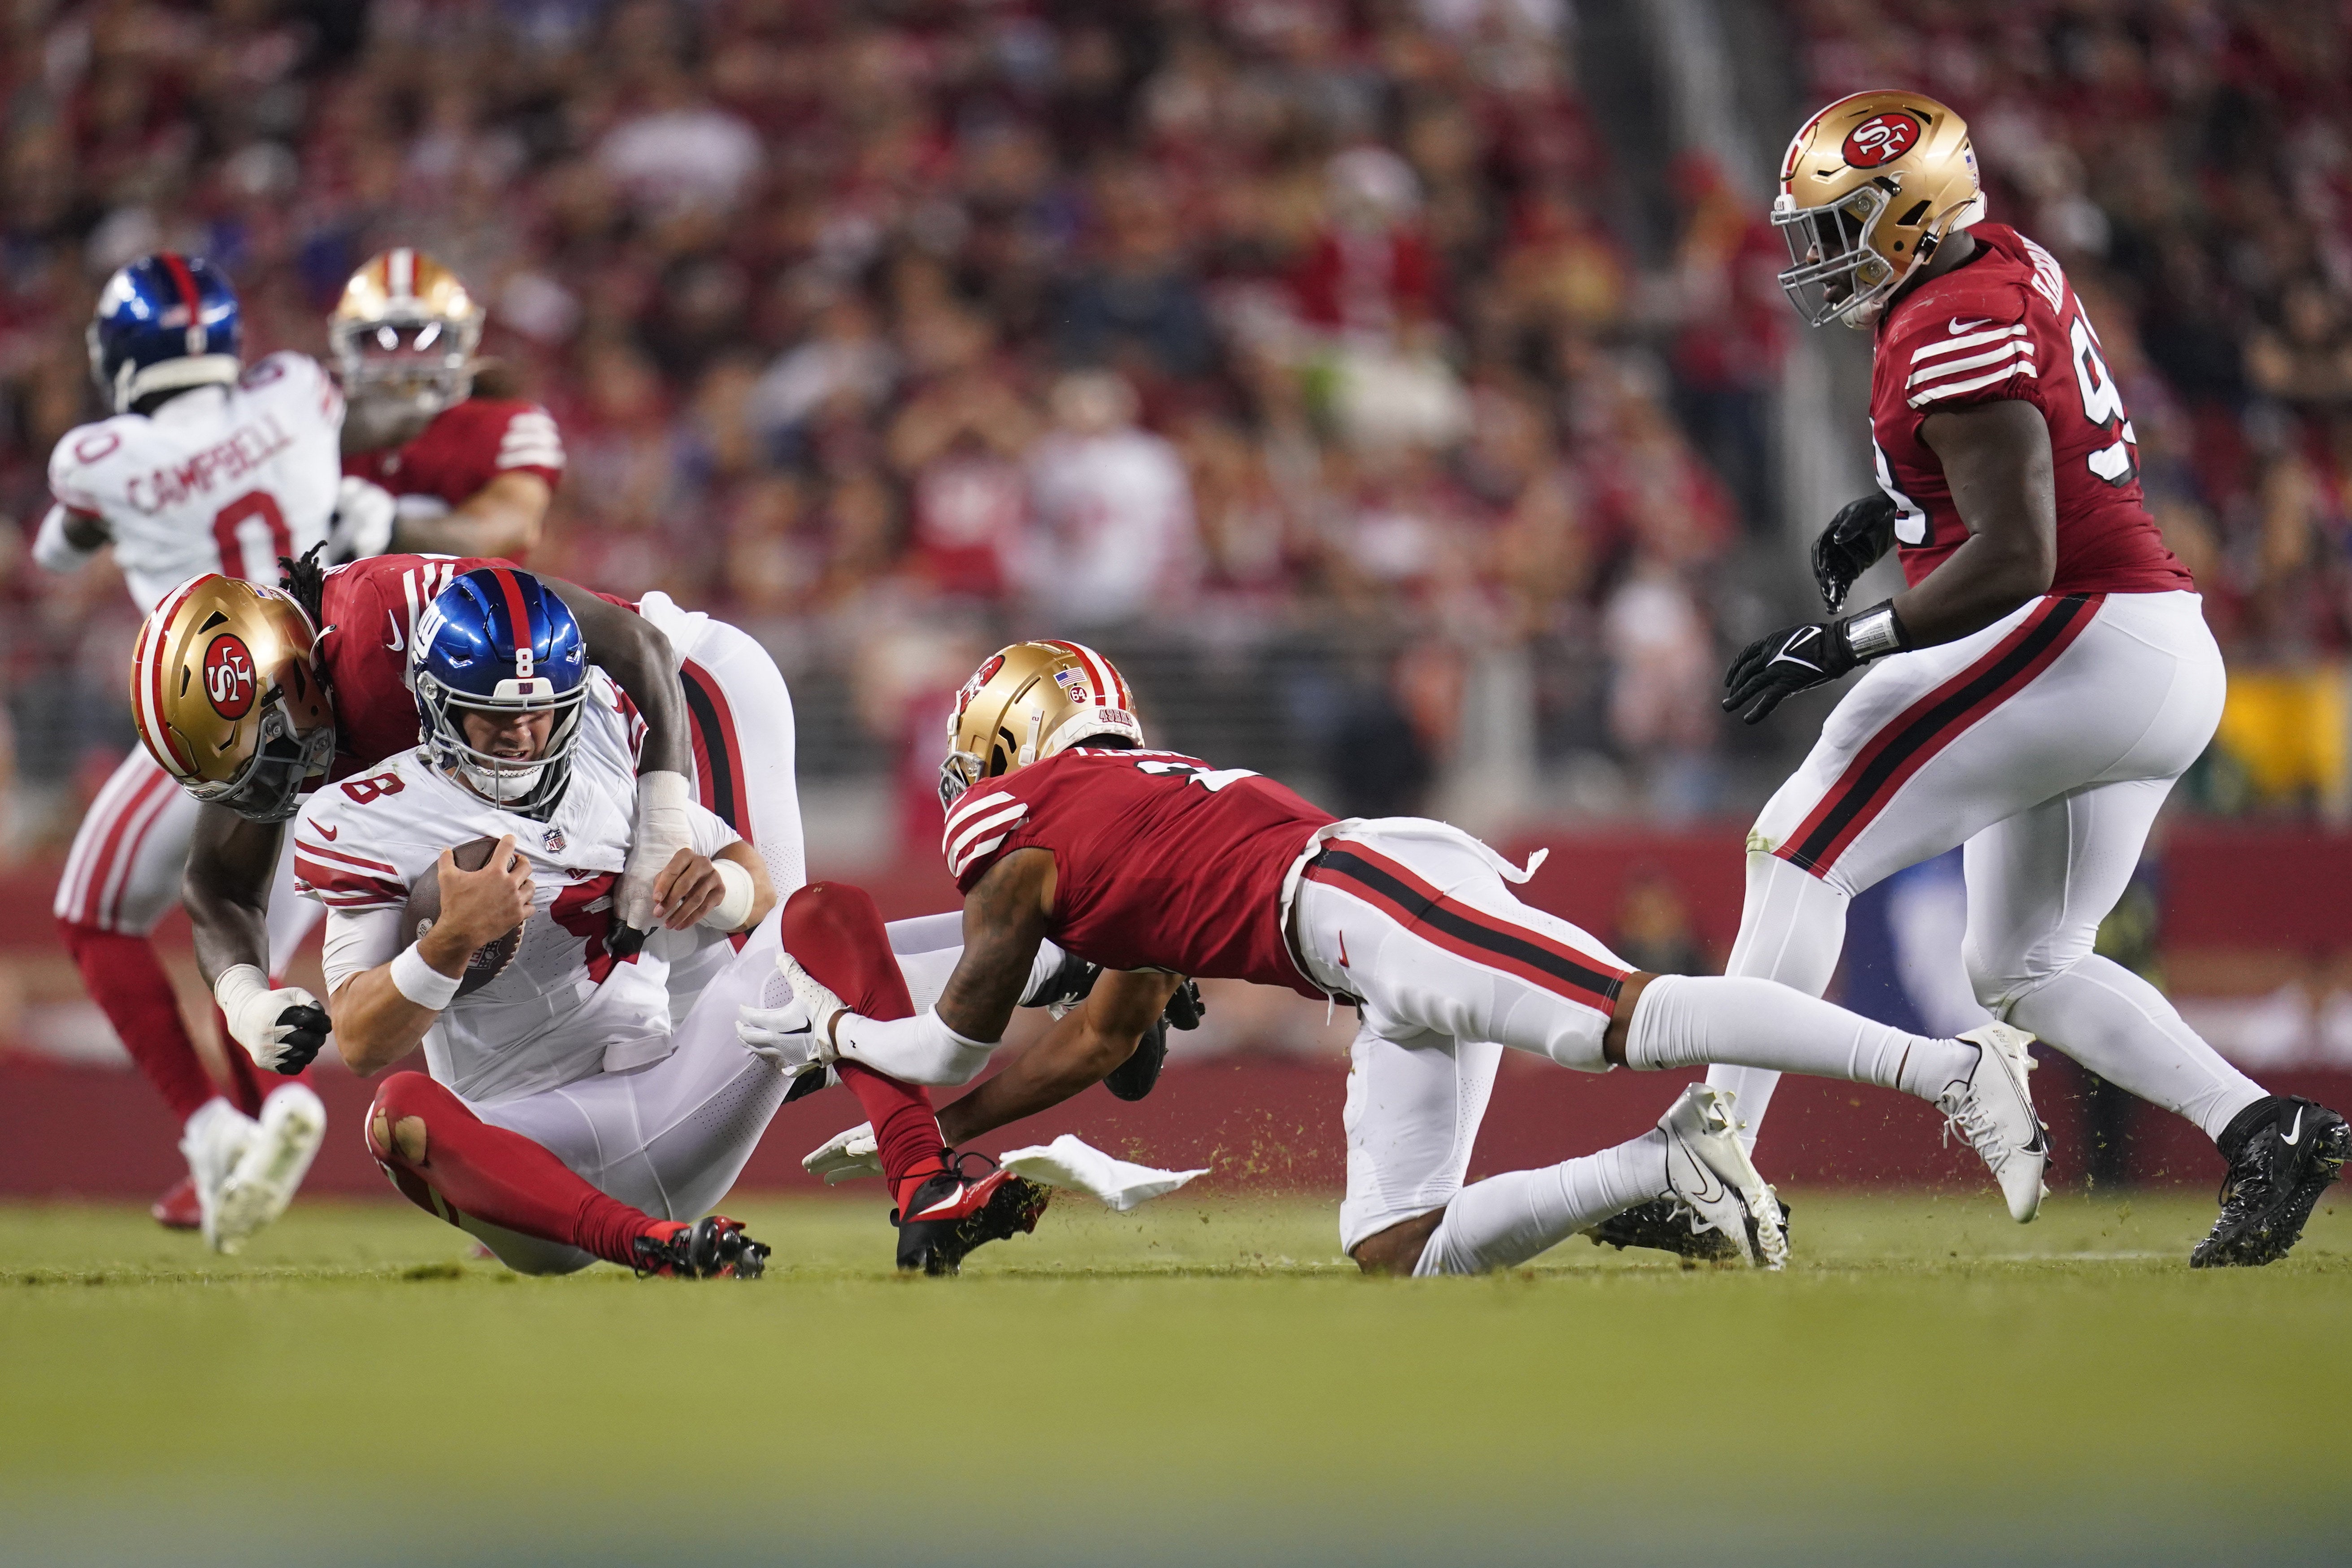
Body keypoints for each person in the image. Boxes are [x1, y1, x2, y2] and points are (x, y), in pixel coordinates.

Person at [743, 640, 2052, 1275]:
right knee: (1392, 1243)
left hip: (1370, 895)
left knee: (1619, 1016)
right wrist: (942, 1128)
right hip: (1371, 932)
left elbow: (957, 1030)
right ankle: (1660, 1166)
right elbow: (1097, 1036)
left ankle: (1949, 1064)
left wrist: (857, 1054)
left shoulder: (1027, 828)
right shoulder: (1114, 814)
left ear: (1007, 743)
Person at [1702, 89, 2346, 1268]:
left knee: (1800, 842)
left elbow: (2014, 553)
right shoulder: (1997, 258)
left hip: (2079, 631)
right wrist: (1898, 506)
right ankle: (2266, 1129)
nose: (1821, 258)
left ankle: (1712, 1170)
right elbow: (2025, 447)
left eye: (1839, 227)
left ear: (1910, 214)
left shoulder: (1947, 315)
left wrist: (1840, 641)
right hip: (2147, 645)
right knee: (2022, 965)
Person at [290, 566, 779, 1276]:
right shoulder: (376, 814)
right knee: (398, 1115)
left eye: (541, 711)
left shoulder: (603, 765)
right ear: (437, 705)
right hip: (524, 1140)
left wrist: (725, 886)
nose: (523, 735)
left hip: (663, 1097)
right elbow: (361, 1041)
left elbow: (756, 885)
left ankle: (923, 1175)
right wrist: (450, 941)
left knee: (818, 920)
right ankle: (644, 1241)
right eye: (494, 714)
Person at [36, 253, 341, 1248]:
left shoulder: (98, 455)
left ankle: (215, 1131)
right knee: (247, 946)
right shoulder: (293, 391)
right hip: (330, 698)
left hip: (213, 704)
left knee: (94, 913)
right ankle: (250, 1129)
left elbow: (60, 548)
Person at [332, 249, 564, 561]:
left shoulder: (507, 425)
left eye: (425, 339)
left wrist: (386, 529)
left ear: (462, 344)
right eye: (382, 341)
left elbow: (491, 535)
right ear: (350, 348)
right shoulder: (321, 430)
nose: (403, 360)